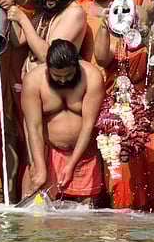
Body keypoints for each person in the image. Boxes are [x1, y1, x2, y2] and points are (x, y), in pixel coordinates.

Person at [22, 40, 104, 204]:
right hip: (46, 153)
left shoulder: (92, 76)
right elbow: (34, 128)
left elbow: (88, 126)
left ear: (76, 66)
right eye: (57, 76)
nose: (63, 80)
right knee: (37, 214)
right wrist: (39, 166)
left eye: (69, 75)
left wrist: (72, 163)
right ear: (48, 68)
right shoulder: (33, 81)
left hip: (84, 153)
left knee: (86, 216)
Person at [10, 0, 87, 74]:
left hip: (56, 87)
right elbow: (19, 39)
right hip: (32, 85)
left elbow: (47, 56)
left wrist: (22, 19)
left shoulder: (74, 13)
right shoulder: (45, 10)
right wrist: (9, 7)